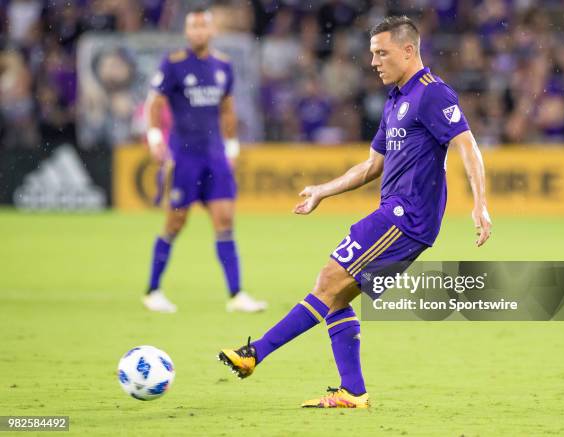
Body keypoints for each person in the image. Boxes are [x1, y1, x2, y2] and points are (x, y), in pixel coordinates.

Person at [218, 15, 492, 408]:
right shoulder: (396, 100)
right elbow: (370, 167)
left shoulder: (433, 93)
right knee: (337, 298)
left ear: (408, 50)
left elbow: (467, 145)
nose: (374, 62)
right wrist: (322, 192)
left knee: (328, 279)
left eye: (382, 53)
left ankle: (254, 354)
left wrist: (480, 204)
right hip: (403, 219)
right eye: (372, 54)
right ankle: (353, 392)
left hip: (405, 217)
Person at [143, 7, 267, 313]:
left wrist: (232, 146)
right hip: (184, 157)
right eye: (193, 27)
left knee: (225, 221)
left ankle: (236, 294)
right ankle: (153, 290)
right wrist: (155, 138)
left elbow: (227, 109)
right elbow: (155, 104)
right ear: (187, 32)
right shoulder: (173, 65)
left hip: (215, 157)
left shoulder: (223, 66)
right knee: (175, 221)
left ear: (212, 31)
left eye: (203, 27)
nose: (198, 32)